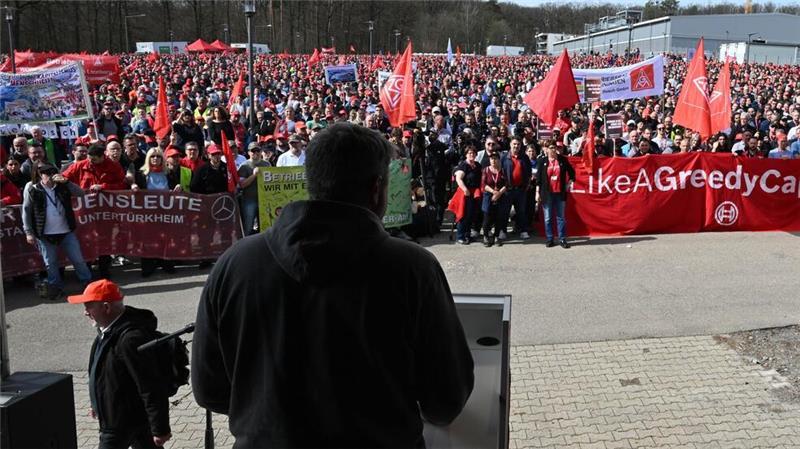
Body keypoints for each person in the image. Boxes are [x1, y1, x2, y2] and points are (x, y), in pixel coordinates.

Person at [192, 123, 474, 448]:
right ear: (376, 189)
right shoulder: (413, 269)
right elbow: (446, 398)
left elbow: (210, 390)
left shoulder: (234, 264)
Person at [67, 280, 172, 449]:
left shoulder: (130, 339)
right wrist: (96, 403)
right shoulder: (106, 331)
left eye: (88, 306)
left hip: (120, 423)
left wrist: (160, 428)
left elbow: (150, 385)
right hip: (126, 416)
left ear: (106, 307)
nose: (85, 312)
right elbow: (99, 372)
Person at [21, 162, 93, 300]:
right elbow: (26, 211)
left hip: (66, 231)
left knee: (78, 260)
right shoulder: (33, 189)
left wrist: (67, 182)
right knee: (51, 263)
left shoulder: (63, 186)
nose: (49, 176)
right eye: (46, 174)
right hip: (45, 234)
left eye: (51, 173)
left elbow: (81, 193)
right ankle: (56, 288)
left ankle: (88, 284)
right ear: (40, 175)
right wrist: (28, 232)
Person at [62, 143, 127, 278]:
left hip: (106, 212)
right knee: (86, 240)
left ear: (102, 156)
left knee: (105, 240)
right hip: (86, 212)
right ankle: (87, 269)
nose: (90, 161)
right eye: (89, 158)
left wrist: (104, 186)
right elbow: (65, 178)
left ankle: (104, 269)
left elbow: (122, 185)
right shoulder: (81, 165)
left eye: (94, 159)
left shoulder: (113, 166)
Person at [536, 140, 575, 249]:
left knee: (560, 217)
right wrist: (537, 193)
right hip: (547, 193)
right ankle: (550, 238)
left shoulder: (563, 160)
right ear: (546, 149)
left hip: (559, 193)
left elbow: (572, 173)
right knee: (548, 217)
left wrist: (569, 184)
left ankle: (562, 238)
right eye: (551, 147)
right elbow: (538, 179)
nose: (553, 149)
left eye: (554, 147)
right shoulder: (542, 161)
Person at [500, 136, 532, 240]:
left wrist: (526, 184)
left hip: (520, 189)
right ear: (510, 145)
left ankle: (523, 231)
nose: (516, 146)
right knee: (505, 211)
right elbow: (501, 172)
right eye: (514, 144)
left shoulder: (524, 157)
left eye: (518, 144)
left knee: (521, 211)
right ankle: (503, 231)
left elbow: (528, 172)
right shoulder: (504, 157)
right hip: (508, 189)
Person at [237, 142, 270, 235]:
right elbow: (242, 185)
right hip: (249, 200)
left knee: (265, 227)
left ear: (261, 152)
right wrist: (254, 175)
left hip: (264, 200)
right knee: (248, 227)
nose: (255, 153)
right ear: (248, 152)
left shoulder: (267, 164)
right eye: (253, 151)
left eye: (258, 150)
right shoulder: (244, 166)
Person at [453, 144, 482, 245]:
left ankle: (467, 235)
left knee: (471, 215)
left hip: (475, 193)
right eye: (470, 153)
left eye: (473, 153)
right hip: (465, 193)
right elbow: (458, 179)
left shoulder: (477, 165)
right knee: (463, 215)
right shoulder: (463, 165)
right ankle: (460, 236)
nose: (472, 155)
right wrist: (465, 189)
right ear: (466, 154)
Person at [481, 153, 507, 247]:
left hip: (500, 196)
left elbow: (506, 184)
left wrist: (499, 193)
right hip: (489, 196)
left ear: (499, 160)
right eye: (491, 159)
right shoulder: (486, 170)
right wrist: (493, 192)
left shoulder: (502, 171)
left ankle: (496, 236)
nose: (493, 161)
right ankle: (486, 236)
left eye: (495, 159)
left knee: (498, 218)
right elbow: (483, 185)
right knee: (487, 217)